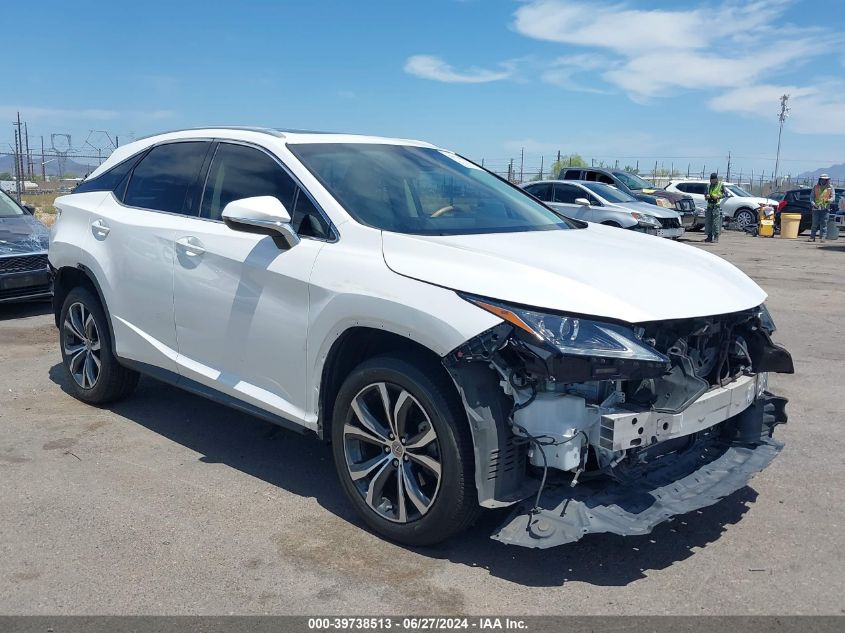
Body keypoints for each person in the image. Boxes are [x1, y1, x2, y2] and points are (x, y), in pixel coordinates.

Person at [808, 174, 835, 242]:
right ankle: (812, 237)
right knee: (814, 224)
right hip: (816, 208)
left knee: (824, 224)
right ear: (820, 179)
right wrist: (813, 204)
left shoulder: (830, 187)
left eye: (825, 179)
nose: (823, 180)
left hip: (825, 209)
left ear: (827, 180)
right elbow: (811, 197)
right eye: (822, 179)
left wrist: (828, 200)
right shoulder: (815, 187)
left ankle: (823, 237)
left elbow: (833, 197)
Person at [704, 172, 727, 243]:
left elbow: (725, 194)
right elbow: (705, 193)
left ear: (716, 179)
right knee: (708, 222)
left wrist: (719, 196)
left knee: (715, 222)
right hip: (709, 205)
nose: (712, 181)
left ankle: (716, 237)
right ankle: (709, 236)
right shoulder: (708, 185)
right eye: (711, 180)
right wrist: (706, 196)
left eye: (714, 180)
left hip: (716, 206)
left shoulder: (721, 185)